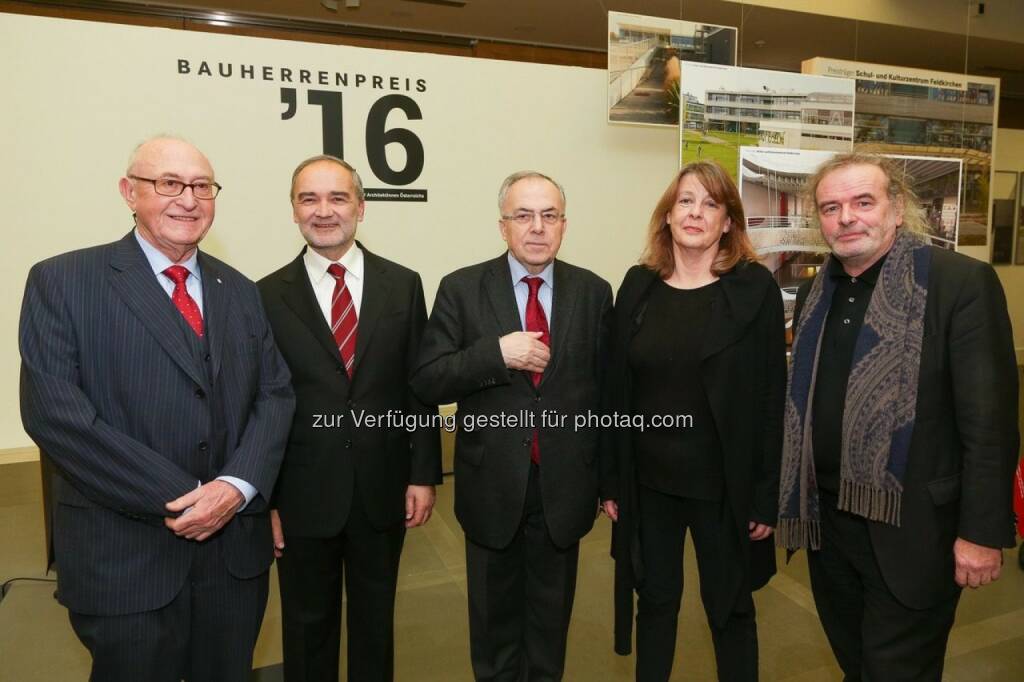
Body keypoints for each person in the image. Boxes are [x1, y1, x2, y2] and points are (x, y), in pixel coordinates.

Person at [18, 136, 295, 682]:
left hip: (232, 561)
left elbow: (276, 393)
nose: (188, 200)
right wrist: (190, 497)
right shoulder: (64, 281)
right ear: (129, 192)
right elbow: (57, 415)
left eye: (202, 187)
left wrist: (235, 487)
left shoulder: (240, 290)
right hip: (125, 559)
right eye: (168, 184)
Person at [777, 152, 1019, 681]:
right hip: (831, 526)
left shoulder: (959, 284)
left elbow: (991, 425)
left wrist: (982, 532)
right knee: (857, 664)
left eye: (863, 202)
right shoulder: (821, 290)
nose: (846, 218)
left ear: (897, 207)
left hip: (915, 532)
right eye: (831, 206)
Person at [411, 171, 612, 681]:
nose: (537, 227)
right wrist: (494, 354)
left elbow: (608, 395)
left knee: (550, 631)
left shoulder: (593, 292)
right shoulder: (461, 288)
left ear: (564, 225)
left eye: (549, 215)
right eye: (523, 215)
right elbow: (429, 379)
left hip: (565, 487)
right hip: (491, 486)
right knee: (494, 632)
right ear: (503, 226)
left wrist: (609, 482)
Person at [258, 155, 442, 682]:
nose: (323, 211)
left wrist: (422, 473)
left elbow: (419, 389)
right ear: (293, 210)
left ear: (360, 207)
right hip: (300, 498)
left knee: (375, 625)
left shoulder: (403, 285)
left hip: (382, 491)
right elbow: (258, 404)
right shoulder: (265, 296)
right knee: (305, 628)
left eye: (337, 197)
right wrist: (264, 501)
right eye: (308, 198)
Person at [601, 161, 785, 681]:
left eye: (710, 203)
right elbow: (617, 392)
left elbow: (774, 399)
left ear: (728, 221)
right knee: (655, 605)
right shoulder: (637, 287)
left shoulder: (754, 291)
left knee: (729, 610)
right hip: (649, 484)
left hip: (724, 488)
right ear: (668, 213)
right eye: (685, 201)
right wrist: (611, 480)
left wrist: (765, 495)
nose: (695, 213)